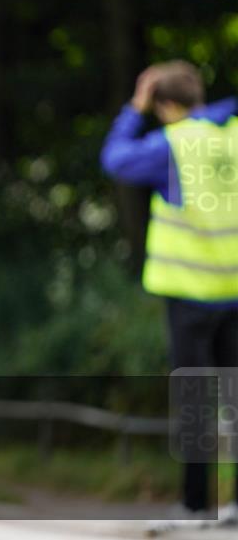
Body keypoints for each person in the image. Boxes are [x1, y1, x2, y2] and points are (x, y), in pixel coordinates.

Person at [100, 60, 238, 528]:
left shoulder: (173, 144)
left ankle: (198, 506)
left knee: (197, 400)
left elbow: (116, 159)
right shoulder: (233, 133)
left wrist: (134, 109)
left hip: (191, 294)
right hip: (236, 292)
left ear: (165, 104)